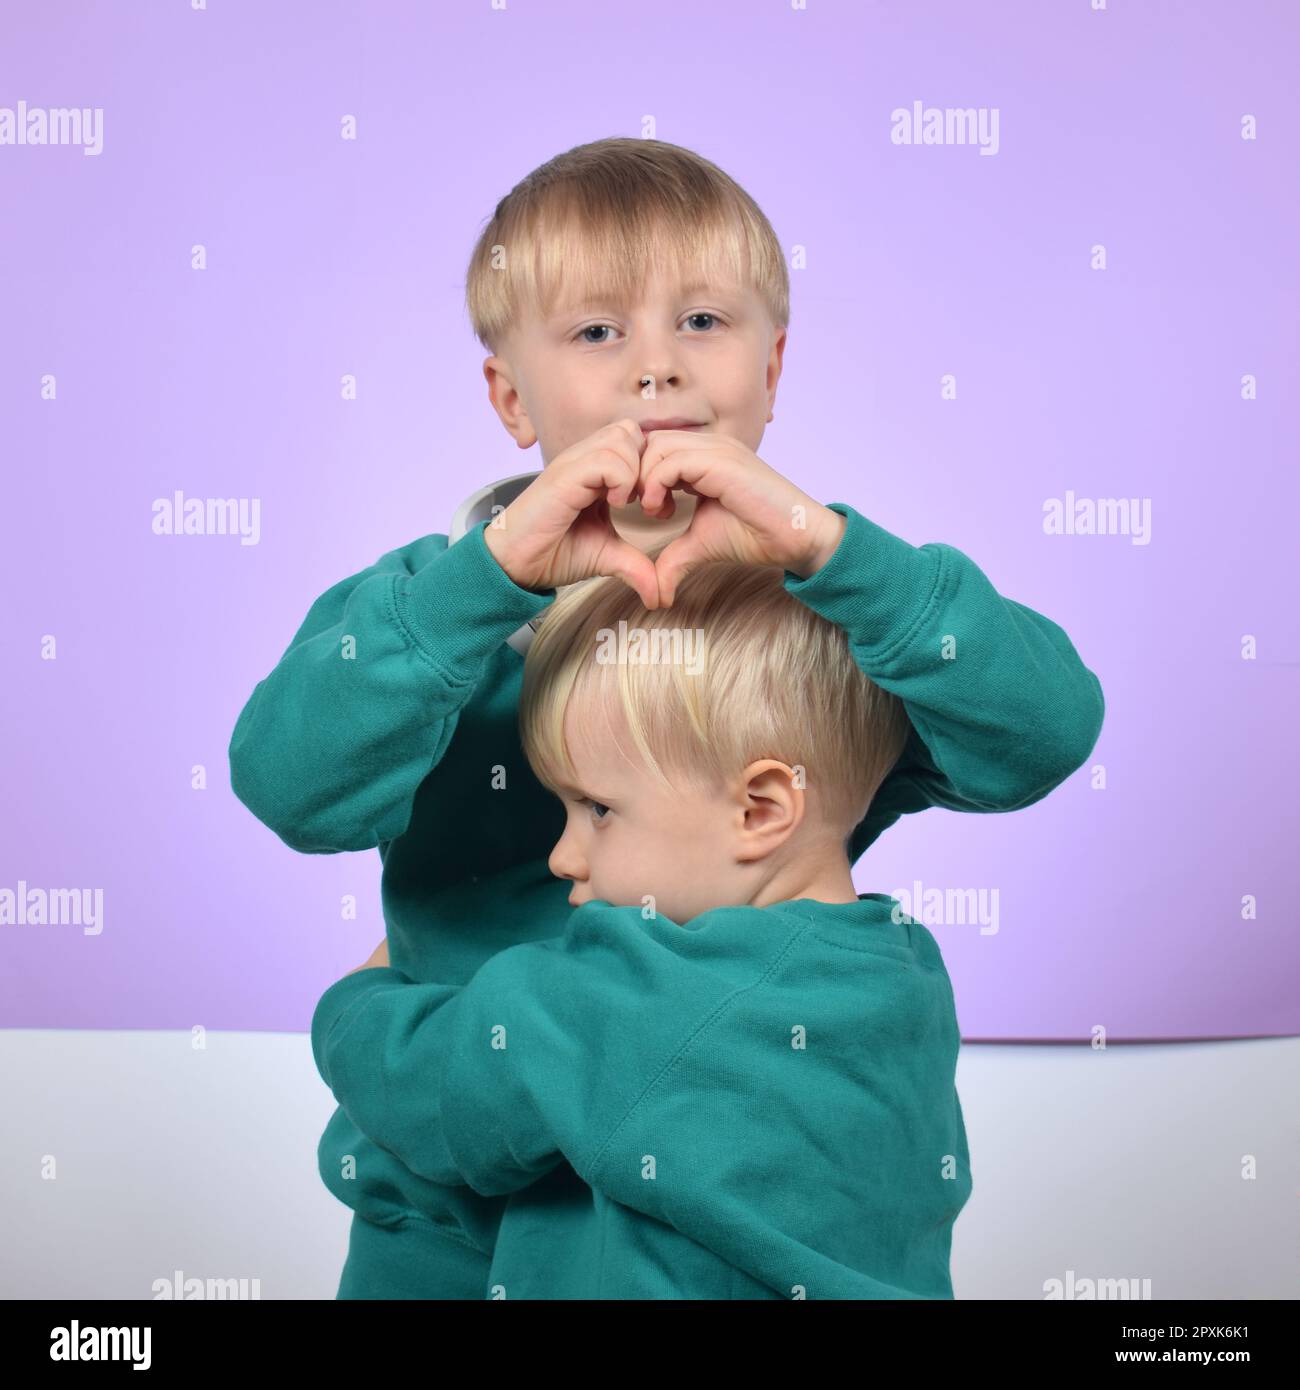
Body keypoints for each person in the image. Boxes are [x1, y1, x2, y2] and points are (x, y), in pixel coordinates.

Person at [228, 136, 1104, 1299]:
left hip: (716, 1204)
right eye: (597, 333)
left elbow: (1042, 732)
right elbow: (288, 782)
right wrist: (481, 582)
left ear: (774, 366)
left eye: (702, 322)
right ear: (508, 395)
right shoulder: (437, 601)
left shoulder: (820, 612)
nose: (657, 372)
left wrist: (831, 553)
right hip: (447, 1218)